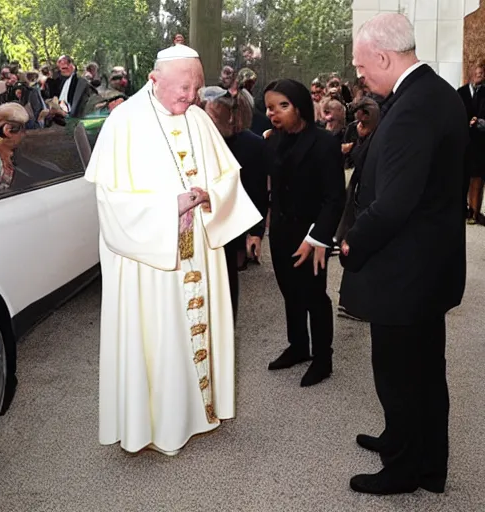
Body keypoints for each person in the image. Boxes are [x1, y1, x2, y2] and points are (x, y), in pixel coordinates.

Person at [84, 44, 261, 456]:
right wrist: (168, 207)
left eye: (196, 88)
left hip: (197, 245)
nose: (191, 97)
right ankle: (158, 424)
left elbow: (228, 179)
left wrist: (208, 196)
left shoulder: (199, 118)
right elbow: (110, 202)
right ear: (154, 78)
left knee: (192, 331)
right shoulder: (123, 122)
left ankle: (199, 412)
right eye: (184, 88)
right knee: (157, 336)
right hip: (150, 260)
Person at [339, 13, 468, 495]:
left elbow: (394, 202)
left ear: (384, 57)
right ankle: (422, 457)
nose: (360, 75)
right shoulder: (434, 92)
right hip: (427, 267)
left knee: (401, 375)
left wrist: (354, 241)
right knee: (425, 371)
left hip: (406, 272)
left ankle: (404, 469)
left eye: (361, 66)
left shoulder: (414, 107)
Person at [263, 79, 345, 387]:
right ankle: (298, 347)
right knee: (289, 292)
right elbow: (267, 191)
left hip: (312, 236)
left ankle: (323, 358)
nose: (274, 113)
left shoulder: (324, 142)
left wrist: (319, 236)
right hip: (281, 232)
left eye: (282, 106)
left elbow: (335, 197)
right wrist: (259, 231)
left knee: (314, 296)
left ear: (299, 107)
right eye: (270, 107)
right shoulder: (271, 141)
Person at [198, 86, 268, 321]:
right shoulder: (191, 146)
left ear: (230, 115)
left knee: (226, 296)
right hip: (197, 232)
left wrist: (255, 233)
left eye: (212, 117)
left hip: (228, 230)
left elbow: (257, 192)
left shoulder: (252, 145)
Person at [457, 62, 485, 224]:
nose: (479, 76)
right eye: (477, 73)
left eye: (481, 73)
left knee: (477, 179)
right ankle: (463, 209)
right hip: (465, 141)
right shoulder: (460, 92)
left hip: (481, 143)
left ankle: (475, 212)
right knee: (463, 178)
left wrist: (480, 121)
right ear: (470, 74)